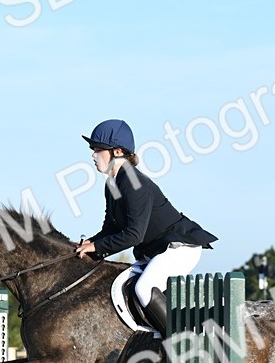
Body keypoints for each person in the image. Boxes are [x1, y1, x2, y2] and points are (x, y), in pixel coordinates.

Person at [74, 119, 217, 335]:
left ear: (118, 151)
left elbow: (133, 235)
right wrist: (91, 244)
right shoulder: (112, 184)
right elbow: (110, 228)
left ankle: (184, 345)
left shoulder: (134, 182)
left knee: (144, 288)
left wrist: (97, 247)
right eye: (93, 150)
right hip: (157, 250)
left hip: (178, 248)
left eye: (98, 149)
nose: (93, 155)